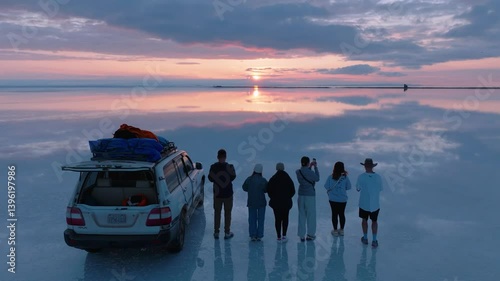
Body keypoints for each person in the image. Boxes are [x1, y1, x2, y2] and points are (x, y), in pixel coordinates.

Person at [208, 149, 236, 239]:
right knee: (228, 213)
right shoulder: (230, 167)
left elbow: (210, 178)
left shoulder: (213, 167)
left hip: (217, 194)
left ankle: (216, 232)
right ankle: (227, 232)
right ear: (225, 157)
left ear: (217, 157)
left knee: (217, 213)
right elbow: (233, 177)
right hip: (228, 194)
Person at [356, 158, 383, 248]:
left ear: (364, 166)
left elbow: (358, 188)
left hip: (364, 203)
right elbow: (380, 189)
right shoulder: (378, 177)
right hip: (375, 204)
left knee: (364, 220)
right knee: (374, 221)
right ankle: (374, 240)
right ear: (372, 166)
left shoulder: (361, 177)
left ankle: (365, 237)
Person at [267, 162, 295, 242]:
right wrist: (288, 197)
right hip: (286, 203)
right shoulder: (288, 178)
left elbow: (269, 190)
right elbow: (293, 190)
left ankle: (278, 236)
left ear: (276, 168)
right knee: (285, 218)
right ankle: (284, 235)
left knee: (277, 219)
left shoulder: (273, 178)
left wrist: (273, 198)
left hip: (276, 203)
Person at [295, 156, 320, 241]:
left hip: (301, 195)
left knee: (302, 215)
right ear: (308, 163)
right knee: (311, 216)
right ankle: (310, 234)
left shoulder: (298, 172)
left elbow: (305, 172)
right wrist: (315, 167)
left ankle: (301, 235)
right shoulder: (310, 172)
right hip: (310, 196)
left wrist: (309, 167)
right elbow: (317, 178)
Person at [324, 161, 351, 236]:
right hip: (342, 199)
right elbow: (349, 187)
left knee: (334, 214)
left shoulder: (330, 177)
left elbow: (326, 186)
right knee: (342, 214)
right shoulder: (345, 178)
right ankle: (342, 230)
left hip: (333, 199)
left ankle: (335, 230)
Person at [243, 164, 268, 241]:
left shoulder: (249, 179)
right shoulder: (263, 180)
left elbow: (244, 187)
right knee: (261, 219)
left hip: (251, 202)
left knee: (252, 219)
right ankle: (259, 235)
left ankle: (253, 234)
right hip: (261, 202)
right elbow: (266, 190)